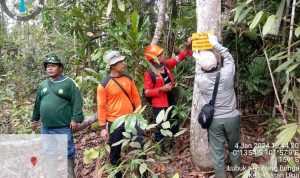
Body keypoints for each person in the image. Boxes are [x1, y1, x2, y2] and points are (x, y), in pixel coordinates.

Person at [194, 34, 241, 178]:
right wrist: (214, 44)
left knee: (217, 153)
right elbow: (228, 57)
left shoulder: (200, 80)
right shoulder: (227, 74)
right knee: (235, 148)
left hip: (214, 121)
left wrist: (198, 52)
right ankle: (238, 174)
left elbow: (198, 69)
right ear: (216, 62)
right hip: (232, 118)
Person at [31, 56, 84, 178]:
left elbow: (77, 102)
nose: (50, 68)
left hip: (63, 127)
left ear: (60, 68)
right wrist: (34, 119)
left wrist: (75, 119)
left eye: (53, 66)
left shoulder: (69, 83)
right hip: (46, 127)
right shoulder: (43, 85)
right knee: (49, 153)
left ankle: (70, 175)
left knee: (67, 152)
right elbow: (37, 104)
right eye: (48, 66)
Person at [97, 50, 145, 178]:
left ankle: (143, 174)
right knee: (115, 153)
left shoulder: (129, 79)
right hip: (114, 123)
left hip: (131, 119)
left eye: (123, 61)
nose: (124, 63)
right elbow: (101, 107)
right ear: (112, 66)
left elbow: (137, 100)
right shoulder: (103, 84)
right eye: (120, 62)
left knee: (140, 148)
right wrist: (102, 128)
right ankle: (117, 175)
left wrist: (135, 115)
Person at [143, 38, 193, 153]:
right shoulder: (149, 73)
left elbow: (178, 58)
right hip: (159, 104)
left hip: (170, 100)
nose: (163, 56)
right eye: (160, 55)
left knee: (172, 122)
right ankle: (160, 149)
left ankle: (170, 146)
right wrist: (161, 89)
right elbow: (147, 91)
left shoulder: (164, 65)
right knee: (160, 126)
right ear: (153, 59)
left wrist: (187, 46)